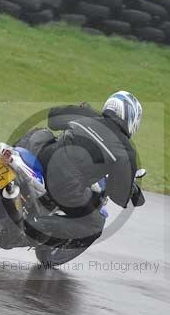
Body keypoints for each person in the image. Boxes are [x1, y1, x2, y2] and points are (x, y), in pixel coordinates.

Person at [15, 90, 145, 247]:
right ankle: (36, 225)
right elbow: (119, 195)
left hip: (42, 159)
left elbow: (52, 119)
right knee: (95, 225)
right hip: (65, 185)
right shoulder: (126, 150)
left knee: (41, 133)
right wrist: (132, 190)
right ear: (130, 118)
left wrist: (78, 110)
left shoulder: (87, 115)